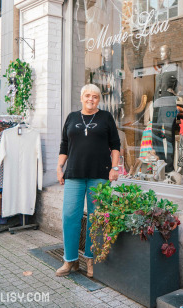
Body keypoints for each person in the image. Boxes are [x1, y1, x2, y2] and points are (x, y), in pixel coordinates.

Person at [56, 84, 120, 277]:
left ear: (99, 99)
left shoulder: (106, 117)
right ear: (81, 97)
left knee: (96, 218)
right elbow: (64, 145)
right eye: (87, 96)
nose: (91, 99)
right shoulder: (72, 117)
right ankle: (70, 260)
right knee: (70, 217)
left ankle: (90, 259)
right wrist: (59, 167)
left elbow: (115, 144)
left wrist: (115, 168)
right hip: (74, 173)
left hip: (100, 175)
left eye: (95, 97)